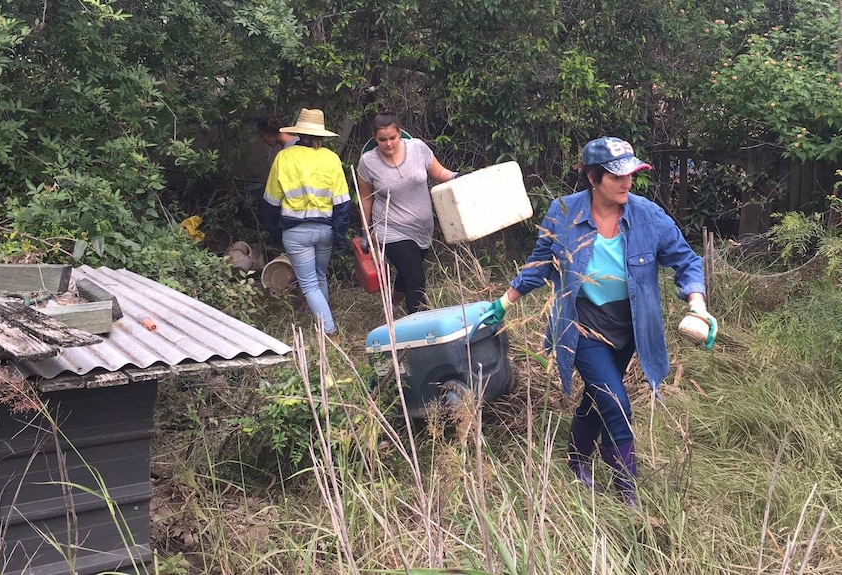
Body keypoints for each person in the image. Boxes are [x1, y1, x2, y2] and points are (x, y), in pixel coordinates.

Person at [485, 136, 717, 507]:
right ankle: (627, 487)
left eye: (632, 175)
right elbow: (541, 262)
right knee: (616, 401)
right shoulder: (563, 211)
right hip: (581, 325)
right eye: (617, 176)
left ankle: (576, 461)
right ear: (593, 178)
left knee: (597, 397)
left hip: (630, 327)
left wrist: (698, 304)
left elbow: (686, 261)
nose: (627, 183)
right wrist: (504, 301)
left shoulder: (648, 216)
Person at [356, 107, 462, 314]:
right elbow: (365, 197)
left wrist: (456, 177)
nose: (388, 144)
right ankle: (418, 324)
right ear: (374, 138)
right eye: (382, 139)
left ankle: (393, 301)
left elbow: (438, 171)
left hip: (422, 228)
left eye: (392, 138)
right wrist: (365, 230)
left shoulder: (417, 148)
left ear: (400, 132)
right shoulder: (368, 162)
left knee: (408, 272)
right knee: (416, 279)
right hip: (391, 228)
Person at [263, 108, 351, 335]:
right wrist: (339, 237)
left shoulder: (284, 157)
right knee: (320, 277)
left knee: (309, 283)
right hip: (325, 230)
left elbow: (271, 201)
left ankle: (329, 331)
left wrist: (274, 231)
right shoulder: (332, 158)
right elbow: (342, 203)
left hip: (295, 232)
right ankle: (323, 321)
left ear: (299, 133)